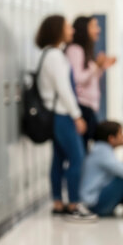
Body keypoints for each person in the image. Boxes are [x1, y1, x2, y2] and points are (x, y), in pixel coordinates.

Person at [35, 15, 97, 222]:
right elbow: (64, 89)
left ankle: (57, 202)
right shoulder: (55, 56)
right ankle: (74, 204)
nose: (71, 29)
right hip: (62, 115)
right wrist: (77, 116)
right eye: (67, 26)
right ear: (57, 30)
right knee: (77, 158)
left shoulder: (50, 54)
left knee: (59, 159)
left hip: (56, 114)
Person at [66, 16, 116, 151]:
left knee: (86, 146)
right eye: (94, 26)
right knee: (82, 148)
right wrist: (96, 66)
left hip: (89, 106)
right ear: (84, 29)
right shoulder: (75, 50)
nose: (98, 30)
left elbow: (90, 79)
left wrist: (102, 66)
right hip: (82, 105)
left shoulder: (85, 50)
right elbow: (77, 79)